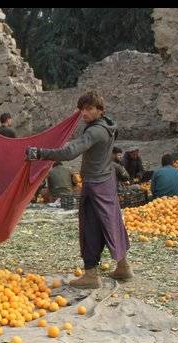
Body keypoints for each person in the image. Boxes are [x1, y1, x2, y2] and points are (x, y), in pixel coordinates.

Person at [26, 91, 132, 288]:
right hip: (107, 181)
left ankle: (91, 275)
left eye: (89, 109)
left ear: (100, 110)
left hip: (95, 185)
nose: (84, 113)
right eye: (82, 109)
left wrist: (39, 153)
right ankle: (123, 266)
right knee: (112, 222)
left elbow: (69, 152)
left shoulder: (95, 131)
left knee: (90, 227)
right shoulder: (109, 126)